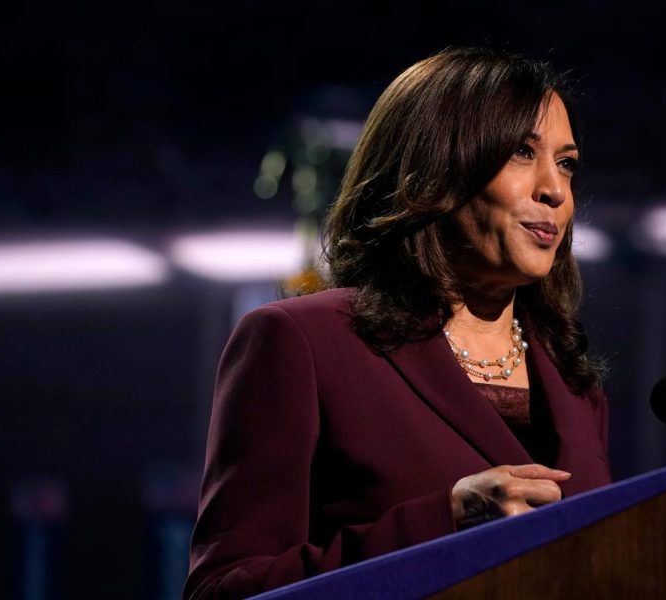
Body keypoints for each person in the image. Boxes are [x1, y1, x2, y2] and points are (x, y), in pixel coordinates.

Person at [183, 47, 611, 599]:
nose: (554, 189)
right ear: (433, 169)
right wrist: (440, 526)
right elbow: (224, 591)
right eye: (521, 153)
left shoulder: (575, 383)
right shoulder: (302, 344)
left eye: (567, 162)